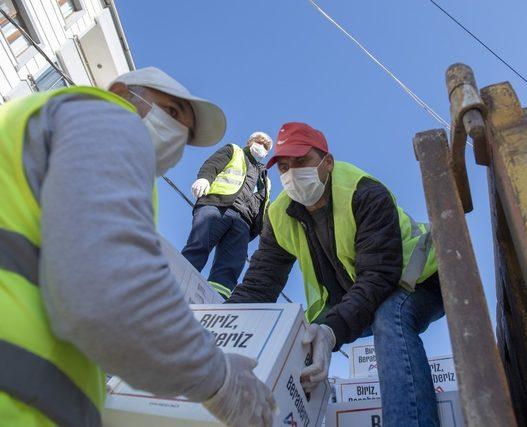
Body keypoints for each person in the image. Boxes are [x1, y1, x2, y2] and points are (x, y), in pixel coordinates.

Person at [0, 67, 275, 427]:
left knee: (225, 270)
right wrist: (219, 380)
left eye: (186, 133)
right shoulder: (103, 117)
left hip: (33, 398)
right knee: (198, 249)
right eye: (172, 112)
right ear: (121, 92)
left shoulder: (84, 149)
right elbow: (109, 289)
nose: (177, 134)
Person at [228, 122, 445, 426]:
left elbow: (379, 277)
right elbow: (259, 284)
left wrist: (332, 331)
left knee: (389, 319)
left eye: (302, 161)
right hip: (360, 294)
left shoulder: (364, 192)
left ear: (327, 162)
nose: (292, 174)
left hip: (420, 278)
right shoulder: (278, 216)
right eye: (285, 167)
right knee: (301, 341)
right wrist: (219, 330)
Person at [182, 132, 272, 299]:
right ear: (250, 142)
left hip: (244, 223)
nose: (262, 146)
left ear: (267, 152)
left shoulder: (265, 179)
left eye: (266, 146)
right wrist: (204, 179)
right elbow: (213, 164)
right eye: (259, 141)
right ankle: (176, 283)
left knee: (230, 266)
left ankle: (215, 300)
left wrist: (264, 230)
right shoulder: (235, 151)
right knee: (199, 245)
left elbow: (264, 207)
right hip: (217, 206)